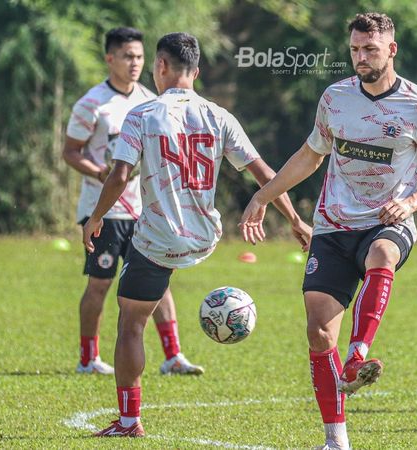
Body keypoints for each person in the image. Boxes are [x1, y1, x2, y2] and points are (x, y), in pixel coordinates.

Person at [239, 13, 417, 450]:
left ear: (391, 50)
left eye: (370, 49)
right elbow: (310, 155)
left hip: (388, 222)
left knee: (382, 255)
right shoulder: (335, 98)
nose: (361, 57)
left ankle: (358, 355)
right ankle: (336, 440)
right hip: (334, 226)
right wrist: (263, 196)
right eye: (355, 49)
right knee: (318, 332)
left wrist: (410, 202)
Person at [85, 32, 311, 438]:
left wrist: (96, 217)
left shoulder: (142, 114)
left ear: (161, 67)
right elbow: (265, 174)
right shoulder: (219, 115)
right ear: (198, 72)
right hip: (206, 236)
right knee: (151, 287)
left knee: (131, 323)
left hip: (158, 239)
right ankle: (174, 352)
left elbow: (120, 175)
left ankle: (128, 421)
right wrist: (295, 220)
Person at [64, 27, 203, 376]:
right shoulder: (92, 103)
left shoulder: (150, 101)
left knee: (158, 281)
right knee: (99, 284)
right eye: (128, 56)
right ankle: (88, 358)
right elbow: (70, 152)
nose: (135, 63)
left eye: (140, 57)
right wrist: (100, 173)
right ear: (110, 58)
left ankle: (173, 356)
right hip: (104, 211)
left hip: (145, 210)